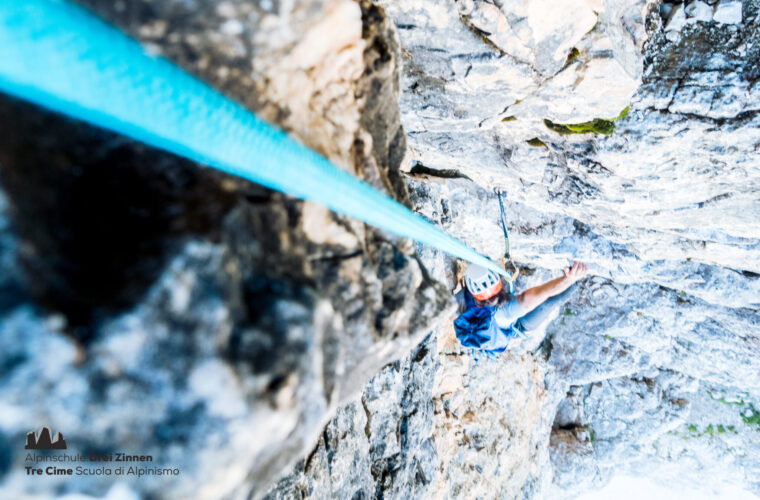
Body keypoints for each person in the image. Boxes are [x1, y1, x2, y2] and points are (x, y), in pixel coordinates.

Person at [454, 261, 588, 353]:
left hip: (498, 328)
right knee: (548, 304)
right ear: (499, 281)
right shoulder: (507, 310)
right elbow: (543, 292)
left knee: (547, 302)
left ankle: (576, 282)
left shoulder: (461, 298)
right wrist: (569, 279)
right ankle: (578, 282)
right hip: (518, 327)